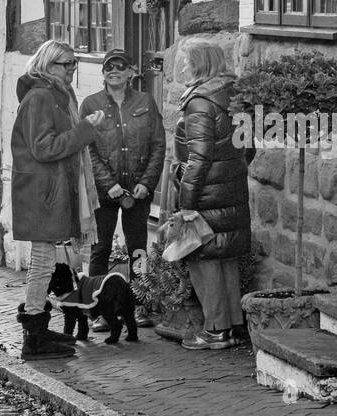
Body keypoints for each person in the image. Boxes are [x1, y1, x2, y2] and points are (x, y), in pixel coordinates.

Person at [11, 39, 104, 359]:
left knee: (46, 262)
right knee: (42, 263)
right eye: (67, 64)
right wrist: (85, 131)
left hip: (48, 191)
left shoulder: (56, 96)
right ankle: (34, 336)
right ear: (47, 65)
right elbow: (43, 148)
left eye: (74, 63)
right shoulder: (39, 98)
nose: (72, 70)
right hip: (41, 193)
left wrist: (82, 130)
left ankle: (37, 329)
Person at [174, 39, 251, 351]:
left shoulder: (200, 102)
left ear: (200, 64)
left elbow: (199, 158)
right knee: (225, 257)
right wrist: (231, 172)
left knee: (201, 257)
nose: (182, 67)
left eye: (187, 61)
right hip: (231, 188)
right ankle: (232, 326)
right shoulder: (234, 96)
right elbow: (250, 146)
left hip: (205, 193)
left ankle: (215, 330)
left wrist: (187, 204)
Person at [80, 50, 166, 326]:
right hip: (105, 192)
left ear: (131, 72)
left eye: (120, 66)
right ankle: (97, 311)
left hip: (138, 191)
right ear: (103, 72)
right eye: (108, 67)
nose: (113, 71)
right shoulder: (90, 104)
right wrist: (109, 184)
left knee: (138, 249)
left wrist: (146, 183)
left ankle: (138, 305)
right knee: (100, 249)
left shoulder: (145, 102)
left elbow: (158, 145)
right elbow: (87, 149)